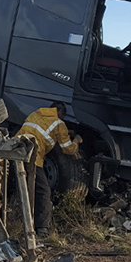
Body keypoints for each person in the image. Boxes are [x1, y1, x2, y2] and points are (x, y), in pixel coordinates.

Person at [16, 102, 82, 238]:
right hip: (34, 159)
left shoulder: (35, 114)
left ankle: (18, 220)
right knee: (44, 192)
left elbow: (42, 131)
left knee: (24, 189)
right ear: (60, 113)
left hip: (16, 155)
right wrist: (76, 140)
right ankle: (42, 228)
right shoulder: (59, 124)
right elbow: (68, 149)